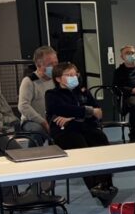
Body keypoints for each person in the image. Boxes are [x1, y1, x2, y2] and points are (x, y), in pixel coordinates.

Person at [45, 62, 119, 206]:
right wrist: (86, 112)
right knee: (80, 145)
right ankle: (96, 186)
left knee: (100, 138)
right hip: (65, 132)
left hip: (86, 127)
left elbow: (99, 112)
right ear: (58, 79)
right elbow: (61, 108)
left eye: (75, 74)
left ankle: (105, 185)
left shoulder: (83, 91)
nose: (74, 77)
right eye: (69, 75)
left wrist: (75, 115)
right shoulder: (52, 95)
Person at [18, 45, 58, 135]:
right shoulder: (29, 81)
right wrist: (43, 122)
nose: (54, 67)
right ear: (38, 65)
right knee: (38, 130)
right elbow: (23, 106)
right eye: (50, 64)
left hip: (54, 119)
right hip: (32, 121)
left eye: (56, 63)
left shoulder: (57, 80)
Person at [112, 44, 135, 142]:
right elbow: (116, 88)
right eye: (128, 53)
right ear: (122, 57)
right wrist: (132, 90)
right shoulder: (119, 71)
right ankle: (133, 135)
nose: (131, 55)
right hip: (129, 97)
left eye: (133, 53)